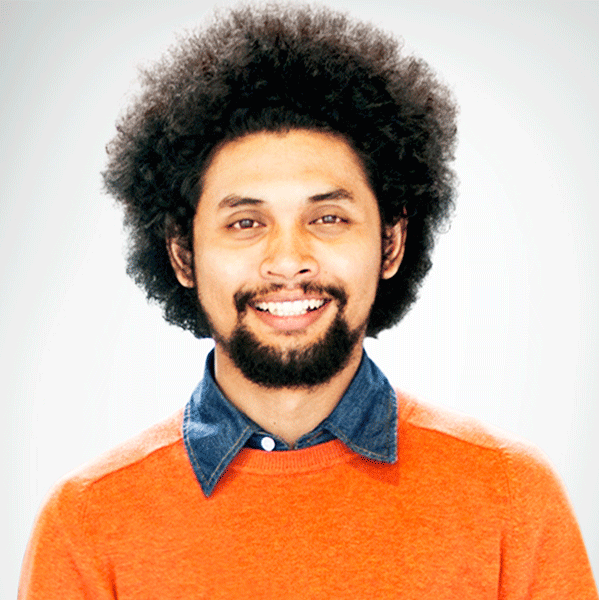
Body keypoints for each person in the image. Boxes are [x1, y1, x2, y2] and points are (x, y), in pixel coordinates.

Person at [18, 4, 598, 598]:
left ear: (392, 243)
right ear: (182, 256)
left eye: (327, 218)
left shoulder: (512, 502)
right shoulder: (87, 526)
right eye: (245, 223)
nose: (289, 259)